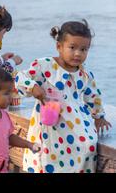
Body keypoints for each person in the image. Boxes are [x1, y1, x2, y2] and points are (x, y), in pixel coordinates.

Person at [15, 20, 112, 173]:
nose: (78, 53)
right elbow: (20, 77)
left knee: (88, 144)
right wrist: (32, 87)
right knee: (48, 156)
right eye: (72, 48)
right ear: (59, 47)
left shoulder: (84, 73)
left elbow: (93, 95)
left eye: (84, 49)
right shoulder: (44, 65)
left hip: (76, 119)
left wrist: (99, 116)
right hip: (50, 121)